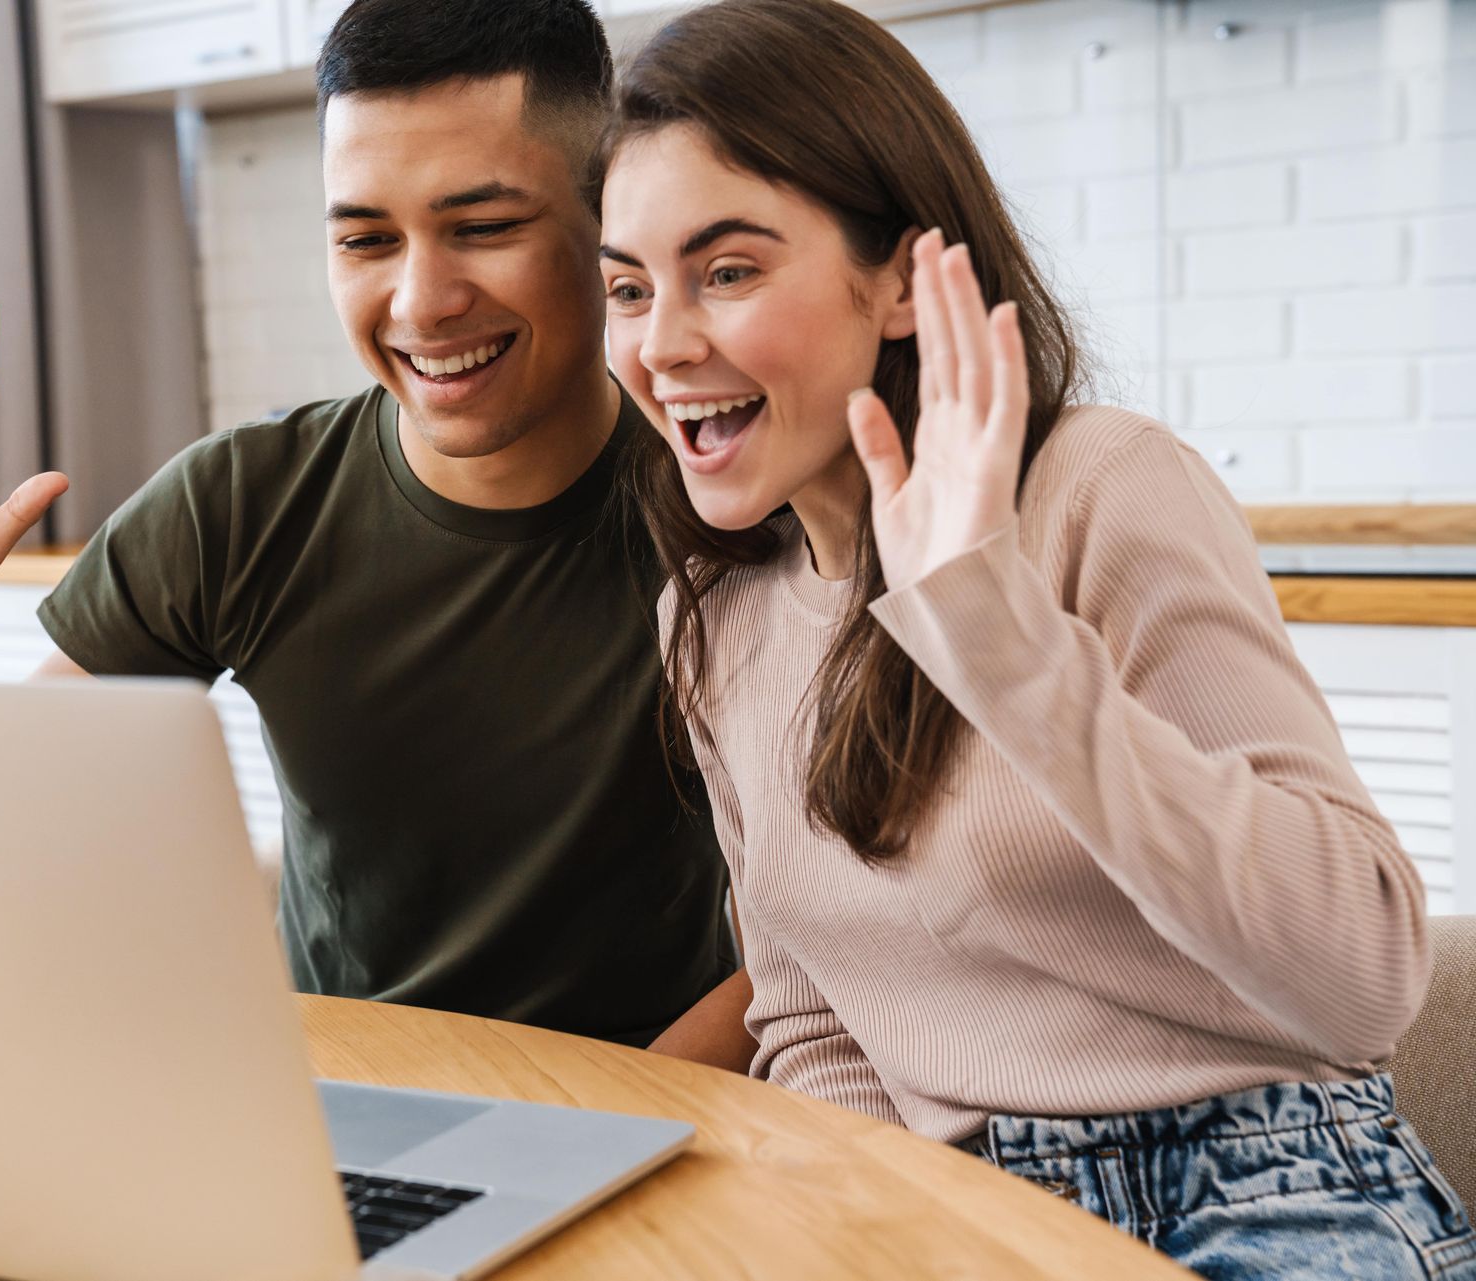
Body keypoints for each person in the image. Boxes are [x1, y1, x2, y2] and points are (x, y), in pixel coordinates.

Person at [594, 0, 1473, 1273]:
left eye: (727, 271)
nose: (662, 345)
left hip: (1267, 1181)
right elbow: (816, 1026)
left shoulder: (1102, 488)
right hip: (964, 1216)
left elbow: (1366, 978)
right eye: (629, 287)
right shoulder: (715, 620)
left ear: (901, 279)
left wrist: (998, 640)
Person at [0, 0, 742, 1049]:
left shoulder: (732, 504)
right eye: (366, 240)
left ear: (605, 223)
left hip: (664, 1126)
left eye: (482, 228)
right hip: (339, 1124)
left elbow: (822, 937)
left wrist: (628, 1124)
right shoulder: (244, 503)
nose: (420, 301)